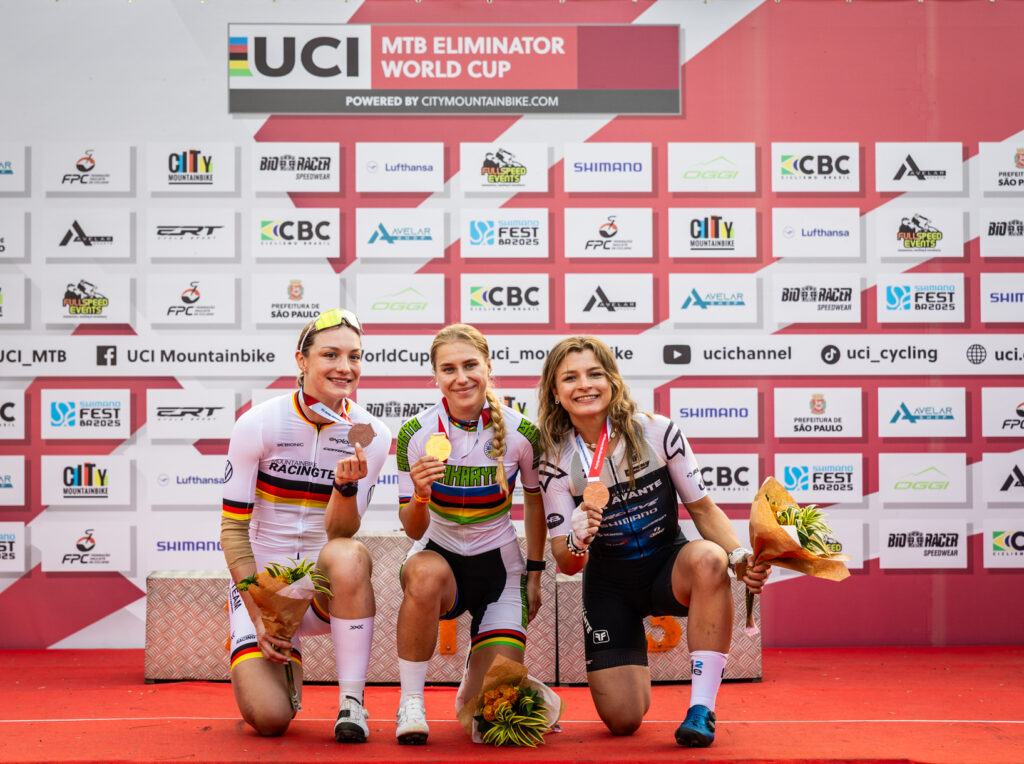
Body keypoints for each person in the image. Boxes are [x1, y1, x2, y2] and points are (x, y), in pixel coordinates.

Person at [534, 335, 770, 747]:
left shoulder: (658, 431)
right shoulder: (553, 458)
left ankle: (701, 709)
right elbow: (566, 563)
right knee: (623, 720)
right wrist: (576, 540)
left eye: (594, 374)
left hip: (668, 567)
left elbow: (702, 509)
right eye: (570, 378)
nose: (584, 385)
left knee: (711, 558)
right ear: (555, 392)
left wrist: (738, 555)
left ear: (612, 381)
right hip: (610, 587)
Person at [220, 308, 390, 742]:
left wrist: (345, 489)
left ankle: (352, 704)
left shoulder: (371, 434)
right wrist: (258, 613)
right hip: (266, 589)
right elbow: (233, 530)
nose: (344, 367)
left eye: (354, 356)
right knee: (270, 720)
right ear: (302, 360)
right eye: (330, 354)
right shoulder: (260, 422)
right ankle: (271, 650)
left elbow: (341, 536)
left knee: (349, 554)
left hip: (321, 589)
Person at [393, 324, 547, 745]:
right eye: (448, 369)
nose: (460, 377)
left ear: (488, 367)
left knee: (489, 726)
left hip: (499, 567)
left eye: (470, 365)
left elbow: (535, 503)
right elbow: (413, 529)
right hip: (437, 557)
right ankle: (411, 702)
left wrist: (534, 574)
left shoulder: (522, 432)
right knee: (424, 574)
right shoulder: (415, 433)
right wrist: (421, 496)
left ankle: (476, 675)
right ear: (435, 376)